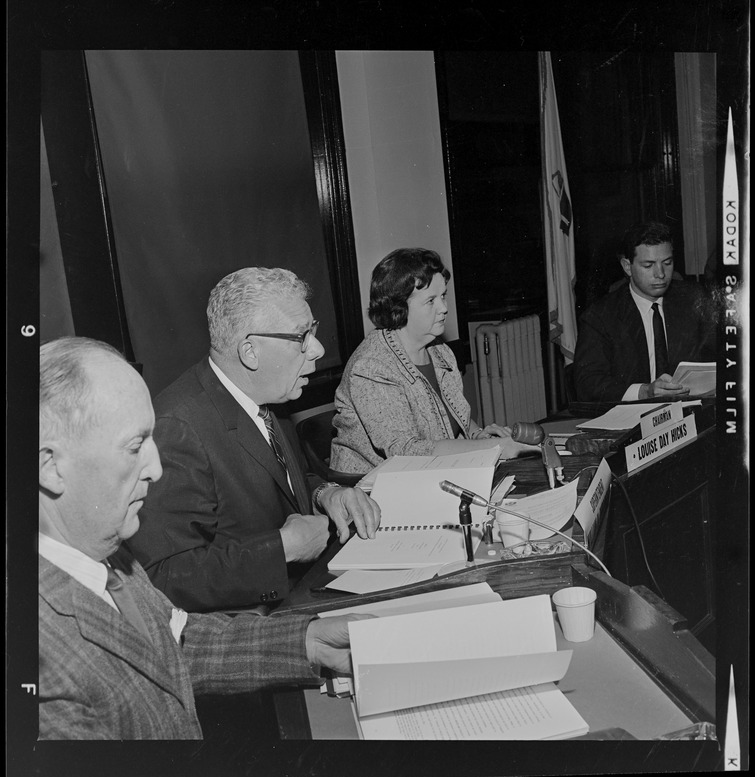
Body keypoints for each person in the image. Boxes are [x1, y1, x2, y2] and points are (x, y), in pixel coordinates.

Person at [38, 337, 367, 739]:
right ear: (50, 468)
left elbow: (177, 640)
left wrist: (309, 641)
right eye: (134, 447)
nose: (156, 470)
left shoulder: (108, 557)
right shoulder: (38, 663)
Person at [127, 268, 380, 612]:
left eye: (313, 330)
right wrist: (282, 548)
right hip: (251, 625)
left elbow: (287, 483)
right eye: (300, 336)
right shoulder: (177, 427)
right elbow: (165, 577)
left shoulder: (262, 395)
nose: (318, 349)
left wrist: (326, 494)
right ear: (250, 351)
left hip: (301, 591)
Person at [330, 248, 538, 474]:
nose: (444, 308)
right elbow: (407, 452)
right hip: (371, 487)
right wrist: (495, 447)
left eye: (443, 296)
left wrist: (480, 435)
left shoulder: (440, 352)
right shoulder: (371, 366)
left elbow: (459, 419)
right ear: (398, 307)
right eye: (430, 301)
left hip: (430, 473)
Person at [572, 221, 716, 403]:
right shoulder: (600, 316)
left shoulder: (694, 300)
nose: (660, 274)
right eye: (648, 265)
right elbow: (587, 384)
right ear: (627, 266)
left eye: (667, 263)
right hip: (631, 418)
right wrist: (644, 392)